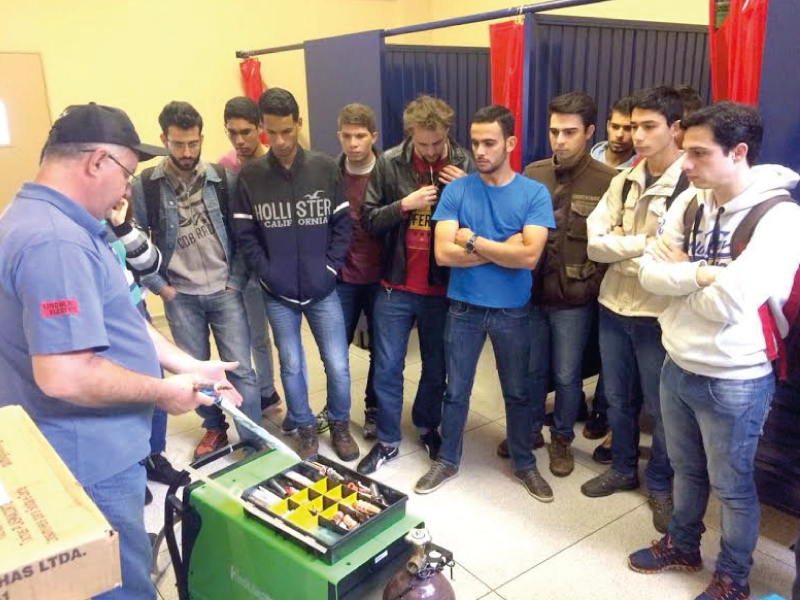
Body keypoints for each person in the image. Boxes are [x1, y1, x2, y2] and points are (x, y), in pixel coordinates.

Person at [0, 102, 243, 600]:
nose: (125, 191)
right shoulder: (54, 243)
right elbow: (65, 375)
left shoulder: (41, 218)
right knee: (115, 584)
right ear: (97, 163)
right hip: (85, 458)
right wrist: (163, 392)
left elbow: (121, 320)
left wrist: (190, 366)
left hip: (79, 445)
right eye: (127, 174)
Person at [631, 101, 800, 600]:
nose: (685, 164)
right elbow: (646, 275)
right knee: (686, 470)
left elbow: (731, 305)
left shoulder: (780, 217)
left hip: (736, 378)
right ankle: (682, 545)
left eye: (699, 154)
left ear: (739, 152)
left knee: (732, 486)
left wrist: (680, 275)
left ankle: (733, 576)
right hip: (677, 362)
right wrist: (702, 272)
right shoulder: (692, 200)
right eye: (685, 151)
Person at [411, 105, 555, 500]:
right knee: (455, 390)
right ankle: (448, 459)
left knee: (518, 391)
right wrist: (503, 248)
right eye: (475, 142)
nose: (480, 151)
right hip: (464, 308)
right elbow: (442, 253)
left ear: (510, 143)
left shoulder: (533, 193)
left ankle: (524, 463)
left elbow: (529, 257)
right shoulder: (457, 190)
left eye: (489, 142)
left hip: (513, 310)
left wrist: (472, 241)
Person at [232, 88, 359, 462]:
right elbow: (245, 235)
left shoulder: (323, 167)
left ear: (298, 124)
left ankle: (338, 422)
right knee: (291, 362)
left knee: (337, 362)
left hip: (323, 289)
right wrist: (268, 273)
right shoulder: (251, 177)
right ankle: (304, 427)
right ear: (262, 130)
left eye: (287, 131)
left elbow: (342, 226)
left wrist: (330, 269)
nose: (281, 141)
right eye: (272, 133)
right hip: (277, 291)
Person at [131, 101, 261, 458]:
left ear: (202, 138)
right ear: (164, 139)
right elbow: (133, 236)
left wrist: (235, 280)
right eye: (178, 144)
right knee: (196, 370)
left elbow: (243, 233)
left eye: (193, 143)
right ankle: (214, 428)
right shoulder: (146, 185)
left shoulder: (223, 179)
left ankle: (252, 437)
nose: (187, 152)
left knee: (241, 370)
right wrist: (161, 287)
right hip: (180, 295)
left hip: (224, 289)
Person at [583, 86, 686, 534]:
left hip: (656, 314)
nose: (637, 136)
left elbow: (676, 256)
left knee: (661, 409)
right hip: (612, 306)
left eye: (648, 127)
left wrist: (622, 243)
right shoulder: (622, 179)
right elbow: (594, 244)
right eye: (632, 126)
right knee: (619, 400)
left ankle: (660, 482)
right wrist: (644, 245)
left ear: (675, 129)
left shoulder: (690, 188)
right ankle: (624, 467)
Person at [359, 95, 472, 474]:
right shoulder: (390, 162)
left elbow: (485, 222)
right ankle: (388, 439)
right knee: (388, 366)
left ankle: (427, 425)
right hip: (395, 285)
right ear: (411, 135)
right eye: (423, 144)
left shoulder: (464, 162)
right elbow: (369, 219)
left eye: (437, 143)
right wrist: (404, 205)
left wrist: (470, 188)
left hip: (442, 287)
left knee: (435, 365)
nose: (430, 151)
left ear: (447, 133)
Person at [508, 92, 616, 478]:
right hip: (534, 294)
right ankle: (531, 430)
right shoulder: (534, 173)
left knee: (569, 375)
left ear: (588, 132)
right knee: (533, 370)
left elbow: (612, 245)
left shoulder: (608, 180)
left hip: (574, 299)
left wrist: (591, 286)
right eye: (554, 131)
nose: (560, 140)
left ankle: (562, 439)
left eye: (570, 132)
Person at [316, 103, 382, 439]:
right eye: (347, 136)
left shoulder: (388, 171)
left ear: (373, 136)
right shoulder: (329, 172)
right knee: (335, 349)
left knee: (382, 350)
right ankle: (335, 409)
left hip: (383, 277)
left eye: (360, 136)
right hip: (341, 276)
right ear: (338, 136)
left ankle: (374, 408)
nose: (354, 143)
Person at [217, 96, 281, 414]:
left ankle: (275, 393)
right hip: (242, 265)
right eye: (232, 132)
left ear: (260, 128)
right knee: (252, 334)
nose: (239, 140)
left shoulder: (275, 163)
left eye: (246, 132)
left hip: (277, 265)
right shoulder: (225, 167)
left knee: (282, 338)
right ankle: (266, 392)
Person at [591, 96, 636, 170]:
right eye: (615, 127)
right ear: (608, 125)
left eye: (628, 128)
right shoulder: (584, 164)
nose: (619, 135)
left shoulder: (641, 173)